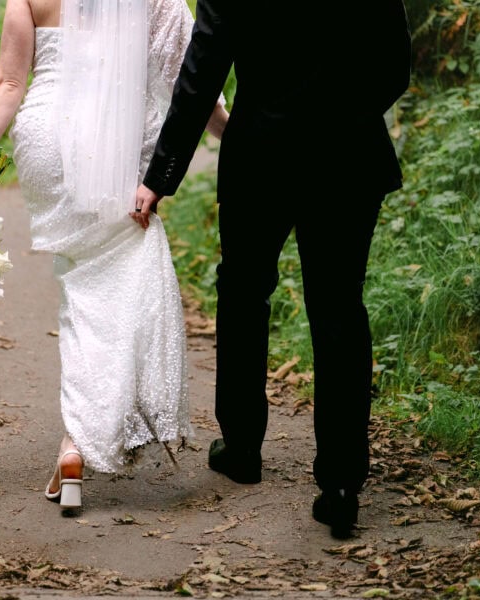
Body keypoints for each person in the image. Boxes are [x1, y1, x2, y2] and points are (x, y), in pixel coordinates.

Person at [133, 1, 412, 539]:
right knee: (338, 306)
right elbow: (396, 65)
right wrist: (346, 111)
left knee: (243, 290)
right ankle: (341, 483)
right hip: (349, 153)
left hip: (260, 153)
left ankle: (241, 448)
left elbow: (201, 73)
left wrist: (160, 176)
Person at [0, 0, 229, 511]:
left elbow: (8, 83)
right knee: (121, 277)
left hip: (47, 142)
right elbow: (190, 80)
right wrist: (236, 138)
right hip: (119, 146)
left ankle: (79, 442)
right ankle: (78, 440)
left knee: (79, 285)